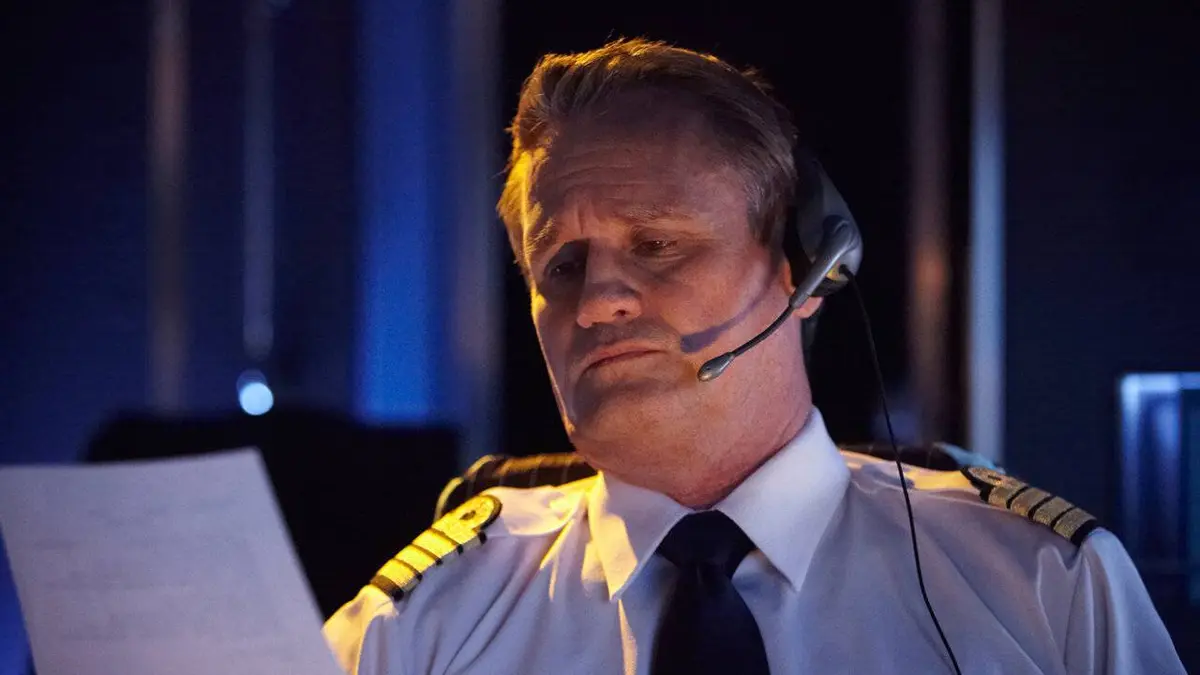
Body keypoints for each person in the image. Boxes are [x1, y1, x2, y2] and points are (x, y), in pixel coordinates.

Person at [323, 38, 1184, 674]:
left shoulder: (1047, 590)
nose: (596, 301)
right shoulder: (417, 624)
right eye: (562, 266)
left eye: (657, 244)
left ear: (809, 268)